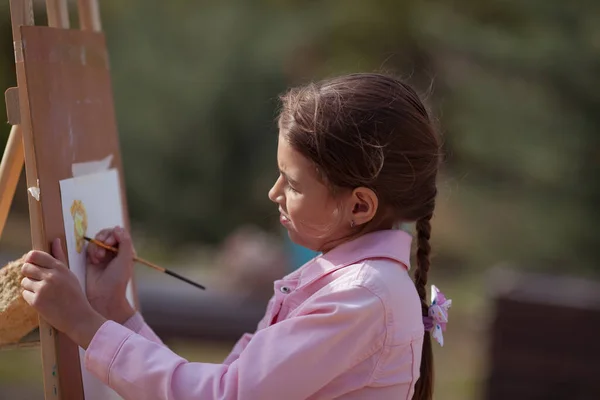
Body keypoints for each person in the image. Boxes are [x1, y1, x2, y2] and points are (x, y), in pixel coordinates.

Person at [19, 73, 450, 399]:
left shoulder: (362, 299)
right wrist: (115, 310)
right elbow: (221, 384)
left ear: (359, 206)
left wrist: (84, 324)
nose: (273, 193)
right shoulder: (356, 288)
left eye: (293, 184)